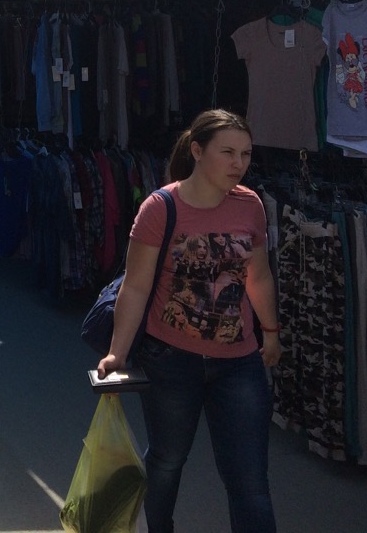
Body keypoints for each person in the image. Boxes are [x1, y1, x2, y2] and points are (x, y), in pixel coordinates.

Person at [99, 109, 281, 533]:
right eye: (228, 152)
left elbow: (258, 275)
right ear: (197, 151)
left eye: (246, 154)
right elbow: (136, 287)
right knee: (167, 460)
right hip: (171, 359)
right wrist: (117, 353)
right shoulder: (160, 207)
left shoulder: (250, 205)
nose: (239, 163)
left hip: (238, 363)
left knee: (250, 479)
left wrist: (270, 332)